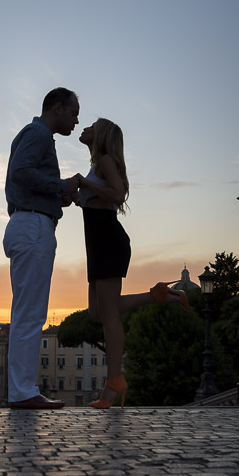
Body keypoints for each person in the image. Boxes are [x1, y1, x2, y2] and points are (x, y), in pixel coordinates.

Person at [76, 118, 188, 409]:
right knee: (96, 312)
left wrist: (84, 183)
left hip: (108, 241)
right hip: (98, 243)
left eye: (91, 126)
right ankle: (160, 296)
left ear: (101, 135)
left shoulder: (105, 160)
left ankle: (113, 383)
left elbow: (118, 193)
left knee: (109, 316)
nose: (84, 128)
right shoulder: (97, 164)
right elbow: (99, 197)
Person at [3, 87, 81, 410]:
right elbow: (21, 173)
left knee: (27, 312)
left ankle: (22, 389)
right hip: (33, 226)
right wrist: (62, 186)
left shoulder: (34, 134)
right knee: (30, 314)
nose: (77, 121)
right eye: (74, 113)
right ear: (58, 108)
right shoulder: (39, 133)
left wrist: (56, 196)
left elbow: (24, 176)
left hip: (29, 223)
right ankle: (23, 392)